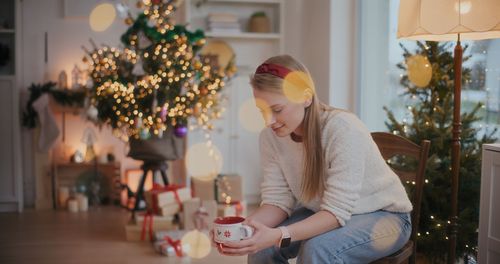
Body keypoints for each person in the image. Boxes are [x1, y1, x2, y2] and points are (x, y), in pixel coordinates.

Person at [214, 54, 412, 263]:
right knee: (260, 249)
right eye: (261, 110)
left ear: (306, 97)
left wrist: (279, 234)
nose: (268, 120)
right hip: (324, 211)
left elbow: (336, 212)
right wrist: (242, 229)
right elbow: (277, 201)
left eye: (277, 109)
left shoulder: (343, 129)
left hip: (385, 217)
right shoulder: (270, 138)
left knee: (317, 249)